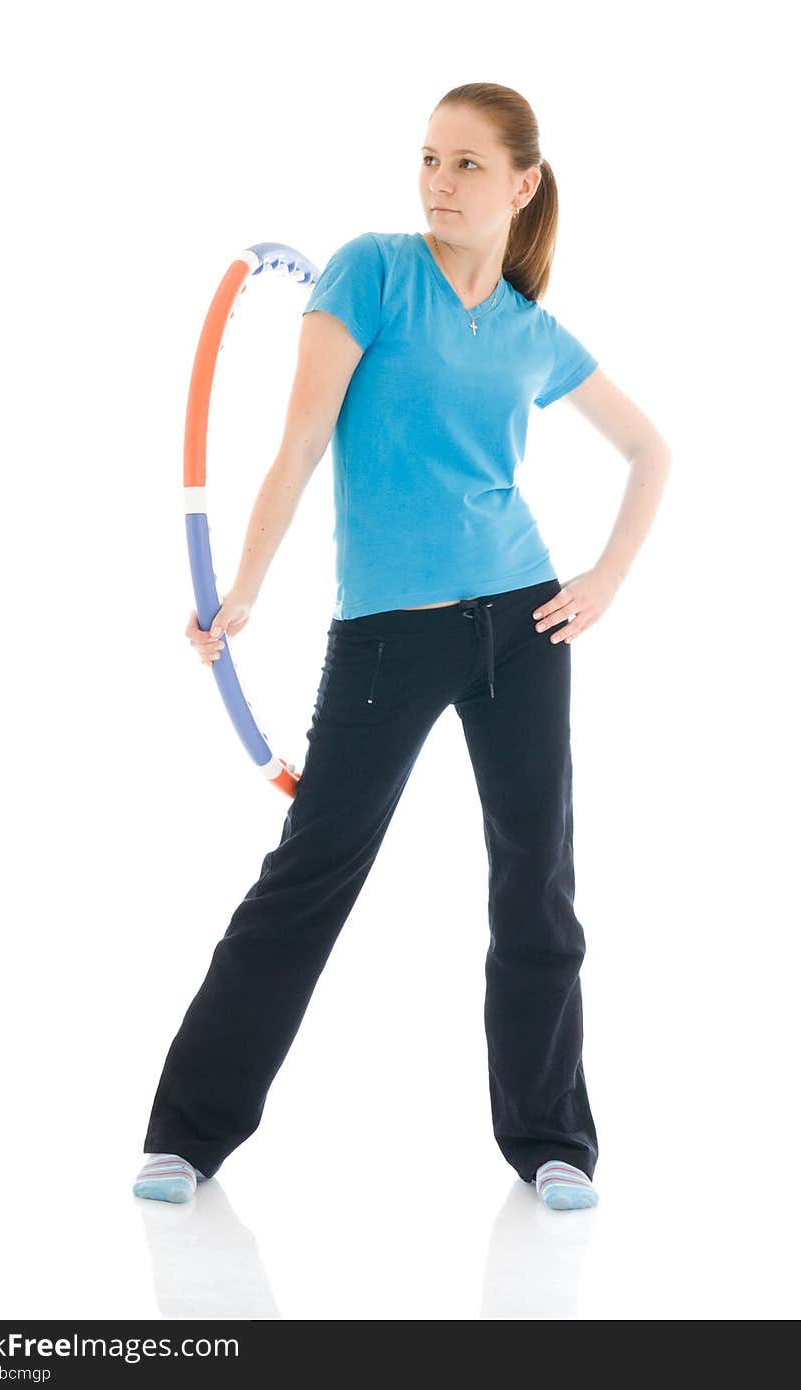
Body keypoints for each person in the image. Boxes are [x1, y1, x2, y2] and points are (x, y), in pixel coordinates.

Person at [133, 82, 671, 1212]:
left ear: (522, 185)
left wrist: (604, 577)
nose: (438, 182)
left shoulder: (533, 332)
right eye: (429, 157)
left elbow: (649, 450)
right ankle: (185, 1134)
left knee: (538, 882)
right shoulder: (368, 272)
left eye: (467, 164)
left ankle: (552, 1141)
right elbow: (298, 445)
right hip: (386, 631)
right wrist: (242, 592)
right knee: (309, 876)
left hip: (524, 623)